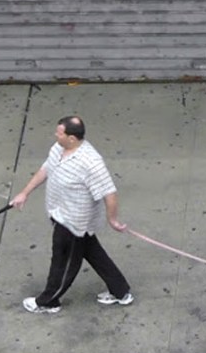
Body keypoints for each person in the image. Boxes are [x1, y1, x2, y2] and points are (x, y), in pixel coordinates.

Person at [9, 115, 133, 314]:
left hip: (73, 222)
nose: (55, 135)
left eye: (59, 133)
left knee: (62, 261)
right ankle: (121, 291)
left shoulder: (91, 163)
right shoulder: (59, 148)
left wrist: (113, 220)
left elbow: (109, 193)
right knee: (92, 252)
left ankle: (48, 301)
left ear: (72, 138)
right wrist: (24, 193)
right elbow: (45, 169)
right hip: (59, 212)